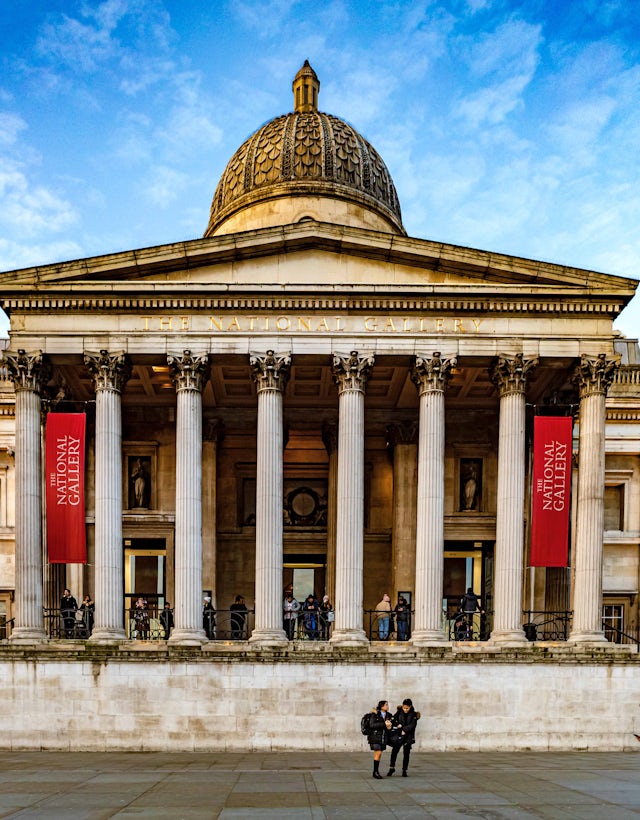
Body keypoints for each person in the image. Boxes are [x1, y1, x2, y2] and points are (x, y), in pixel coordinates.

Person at [387, 698, 420, 777]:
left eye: (407, 708)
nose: (405, 709)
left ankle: (404, 770)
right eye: (404, 708)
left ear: (410, 707)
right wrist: (398, 724)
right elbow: (393, 719)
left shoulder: (414, 714)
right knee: (394, 751)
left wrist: (404, 729)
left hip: (408, 737)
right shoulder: (399, 712)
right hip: (399, 735)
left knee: (406, 754)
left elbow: (413, 725)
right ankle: (392, 768)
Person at [368, 699, 393, 779]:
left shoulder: (388, 715)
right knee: (378, 753)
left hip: (383, 737)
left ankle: (375, 771)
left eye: (387, 705)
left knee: (379, 754)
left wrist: (389, 727)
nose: (387, 706)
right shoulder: (375, 714)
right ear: (381, 706)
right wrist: (384, 724)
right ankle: (375, 772)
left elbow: (389, 727)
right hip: (375, 737)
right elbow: (372, 725)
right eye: (386, 705)